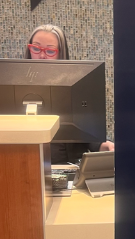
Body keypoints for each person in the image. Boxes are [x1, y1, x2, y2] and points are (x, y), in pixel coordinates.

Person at [24, 24, 115, 155]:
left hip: (69, 166)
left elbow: (88, 133)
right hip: (26, 163)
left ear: (61, 53)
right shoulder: (10, 88)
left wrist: (104, 144)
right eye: (36, 49)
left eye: (50, 51)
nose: (42, 56)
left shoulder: (78, 86)